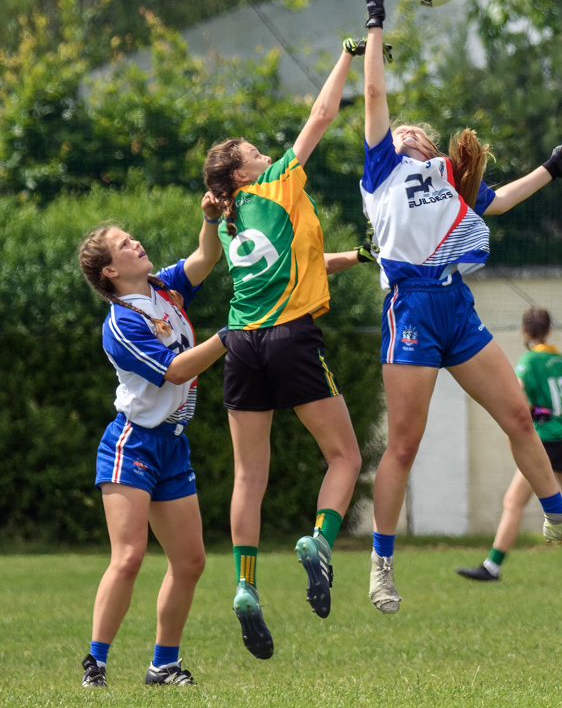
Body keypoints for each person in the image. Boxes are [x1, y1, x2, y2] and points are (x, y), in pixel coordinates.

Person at [358, 0, 562, 614]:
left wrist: (550, 170)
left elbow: (496, 203)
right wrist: (375, 24)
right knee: (406, 446)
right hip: (411, 305)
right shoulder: (383, 169)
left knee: (520, 416)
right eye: (402, 130)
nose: (410, 134)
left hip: (455, 307)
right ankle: (381, 565)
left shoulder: (449, 176)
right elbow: (373, 93)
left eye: (418, 132)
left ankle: (557, 517)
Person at [202, 41, 370, 659]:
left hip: (241, 342)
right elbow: (322, 116)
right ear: (246, 172)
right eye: (253, 151)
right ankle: (320, 541)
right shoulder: (277, 181)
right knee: (345, 456)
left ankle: (245, 587)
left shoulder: (228, 220)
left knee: (250, 473)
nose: (264, 151)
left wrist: (354, 257)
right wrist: (349, 53)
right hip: (292, 337)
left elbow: (297, 261)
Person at [76, 195, 228, 687]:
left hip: (172, 444)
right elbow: (175, 370)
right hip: (133, 443)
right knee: (130, 555)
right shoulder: (121, 322)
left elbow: (206, 259)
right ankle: (95, 664)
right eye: (124, 245)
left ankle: (163, 665)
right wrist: (230, 336)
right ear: (109, 273)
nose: (135, 243)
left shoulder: (162, 286)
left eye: (130, 238)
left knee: (190, 560)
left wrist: (210, 217)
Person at [455, 307, 562, 582]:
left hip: (545, 441)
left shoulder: (528, 361)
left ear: (523, 331)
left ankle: (492, 567)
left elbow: (516, 396)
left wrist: (535, 412)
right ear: (549, 330)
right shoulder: (560, 359)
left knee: (513, 502)